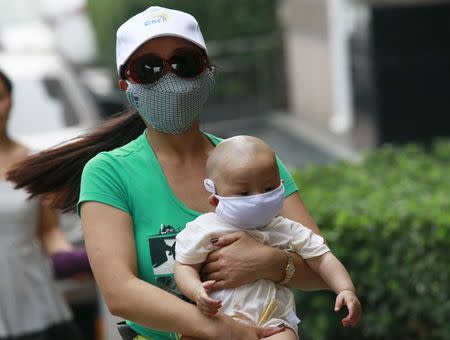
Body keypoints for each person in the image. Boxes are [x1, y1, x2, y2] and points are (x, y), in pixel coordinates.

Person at [8, 6, 337, 339]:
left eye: (184, 63)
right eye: (148, 68)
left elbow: (322, 269)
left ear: (207, 71)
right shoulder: (109, 173)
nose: (171, 79)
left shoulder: (254, 160)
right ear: (126, 84)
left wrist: (271, 263)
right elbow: (120, 292)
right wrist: (226, 331)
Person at [174, 135, 362, 339]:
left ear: (281, 184)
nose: (258, 198)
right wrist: (196, 291)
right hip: (216, 321)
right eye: (244, 193)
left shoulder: (287, 229)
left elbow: (323, 257)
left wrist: (345, 289)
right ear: (214, 199)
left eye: (268, 188)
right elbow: (184, 265)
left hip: (272, 323)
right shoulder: (204, 228)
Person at [0, 69, 85, 339]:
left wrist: (72, 260)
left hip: (32, 299)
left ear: (11, 100)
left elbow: (49, 231)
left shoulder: (35, 165)